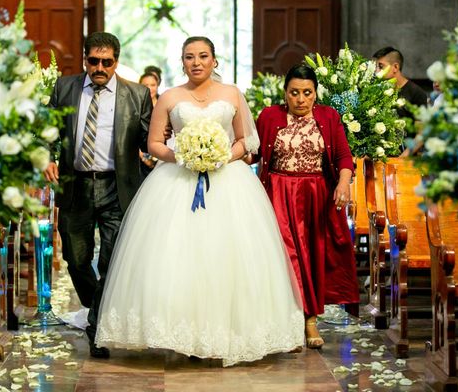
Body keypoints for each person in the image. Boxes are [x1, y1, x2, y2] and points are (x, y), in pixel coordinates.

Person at [95, 36, 304, 366]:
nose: (196, 62)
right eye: (189, 57)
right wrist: (182, 155)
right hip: (177, 181)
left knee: (227, 257)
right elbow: (154, 143)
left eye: (203, 56)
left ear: (214, 60)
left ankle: (227, 333)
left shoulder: (231, 93)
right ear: (182, 62)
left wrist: (221, 155)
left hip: (228, 185)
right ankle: (180, 334)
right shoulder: (170, 96)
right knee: (177, 257)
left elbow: (245, 141)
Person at [44, 31, 153, 358]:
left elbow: (151, 141)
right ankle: (99, 310)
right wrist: (46, 157)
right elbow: (46, 130)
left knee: (112, 259)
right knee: (76, 259)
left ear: (116, 62)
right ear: (85, 59)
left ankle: (97, 327)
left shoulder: (136, 95)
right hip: (76, 184)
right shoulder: (65, 88)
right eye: (94, 61)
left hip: (117, 187)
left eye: (107, 62)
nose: (100, 67)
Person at [254, 63, 359, 349]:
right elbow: (252, 152)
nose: (300, 99)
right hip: (277, 193)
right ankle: (286, 325)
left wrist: (343, 183)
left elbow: (344, 158)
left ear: (316, 94)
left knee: (312, 258)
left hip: (316, 196)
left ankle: (310, 321)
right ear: (284, 93)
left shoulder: (328, 116)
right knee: (284, 257)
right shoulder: (269, 116)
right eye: (294, 93)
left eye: (307, 93)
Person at [372, 46, 428, 119]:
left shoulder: (417, 94)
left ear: (395, 67)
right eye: (376, 67)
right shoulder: (378, 90)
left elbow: (420, 127)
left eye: (381, 66)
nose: (377, 71)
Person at [139, 68, 162, 171]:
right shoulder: (135, 106)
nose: (149, 88)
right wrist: (144, 158)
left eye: (153, 85)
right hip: (140, 159)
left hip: (162, 155)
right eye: (145, 85)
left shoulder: (164, 103)